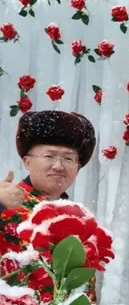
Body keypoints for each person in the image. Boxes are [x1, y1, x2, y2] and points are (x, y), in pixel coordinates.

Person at [0, 110, 96, 256]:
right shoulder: (6, 202)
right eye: (49, 156)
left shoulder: (80, 217)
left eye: (68, 158)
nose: (58, 166)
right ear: (27, 162)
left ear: (77, 167)